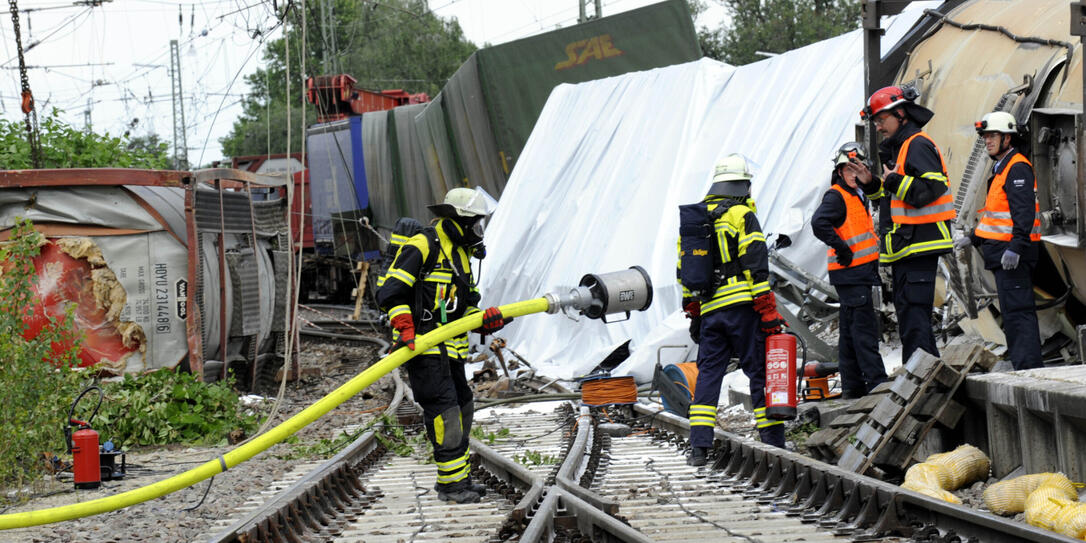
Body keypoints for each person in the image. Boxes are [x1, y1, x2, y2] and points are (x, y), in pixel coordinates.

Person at [376, 187, 510, 503]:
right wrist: (404, 324)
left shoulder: (461, 256)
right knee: (445, 411)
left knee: (463, 407)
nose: (477, 231)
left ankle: (458, 479)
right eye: (474, 223)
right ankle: (450, 487)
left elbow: (464, 306)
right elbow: (390, 293)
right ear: (455, 221)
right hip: (423, 347)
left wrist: (483, 319)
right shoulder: (423, 245)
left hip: (451, 350)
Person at [678, 153, 786, 467]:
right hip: (742, 307)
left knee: (709, 375)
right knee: (759, 374)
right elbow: (756, 264)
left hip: (711, 311)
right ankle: (774, 445)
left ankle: (699, 448)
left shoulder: (694, 221)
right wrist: (767, 310)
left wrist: (695, 313)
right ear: (742, 185)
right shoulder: (741, 214)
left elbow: (683, 273)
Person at [847, 86, 955, 364]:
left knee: (915, 318)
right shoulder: (900, 149)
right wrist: (871, 183)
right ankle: (923, 375)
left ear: (901, 113)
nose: (878, 126)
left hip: (920, 243)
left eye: (882, 119)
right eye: (875, 121)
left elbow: (931, 189)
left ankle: (920, 379)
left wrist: (892, 180)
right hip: (906, 246)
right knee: (910, 317)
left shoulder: (917, 144)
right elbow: (889, 200)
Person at [954, 111, 1043, 370]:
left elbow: (1023, 213)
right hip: (1002, 256)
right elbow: (996, 216)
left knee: (1019, 312)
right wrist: (974, 237)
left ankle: (1028, 369)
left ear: (1007, 137)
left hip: (1012, 256)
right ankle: (1021, 365)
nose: (987, 141)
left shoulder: (1017, 168)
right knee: (1013, 313)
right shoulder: (1002, 168)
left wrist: (1016, 247)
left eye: (992, 135)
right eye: (985, 136)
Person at [812, 143, 888, 397]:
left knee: (849, 333)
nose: (855, 173)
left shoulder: (856, 194)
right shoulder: (837, 196)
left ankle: (853, 387)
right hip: (852, 272)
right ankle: (876, 382)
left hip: (855, 273)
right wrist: (842, 248)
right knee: (864, 330)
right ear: (840, 171)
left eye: (859, 168)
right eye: (849, 169)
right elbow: (819, 222)